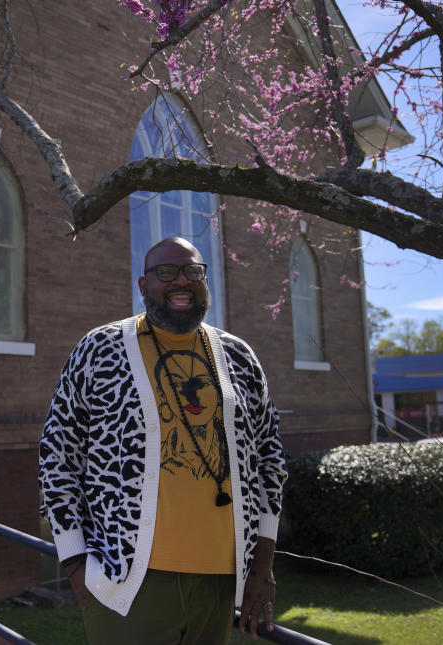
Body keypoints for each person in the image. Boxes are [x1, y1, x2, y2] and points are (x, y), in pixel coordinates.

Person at [39, 237, 287, 644]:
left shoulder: (239, 356)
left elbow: (270, 462)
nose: (181, 282)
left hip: (220, 586)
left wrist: (262, 570)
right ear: (143, 285)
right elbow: (57, 454)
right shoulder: (99, 350)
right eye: (166, 273)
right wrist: (75, 563)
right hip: (126, 585)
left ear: (205, 281)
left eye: (193, 272)